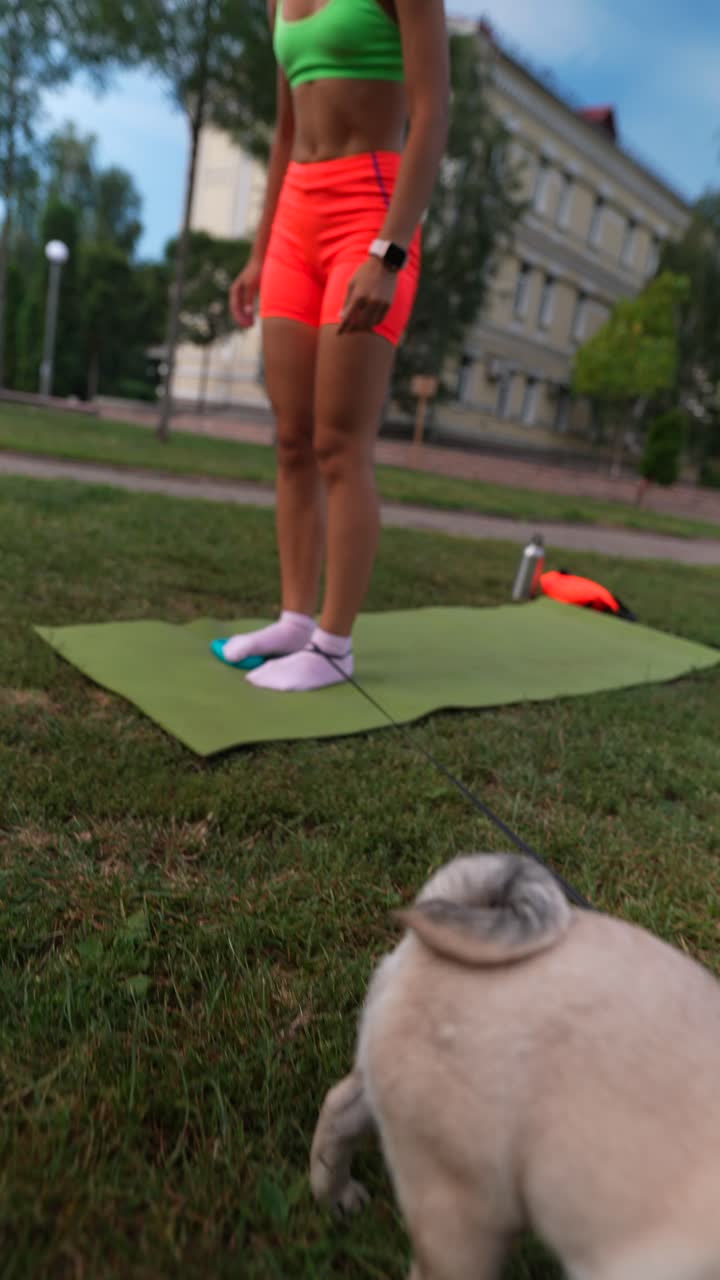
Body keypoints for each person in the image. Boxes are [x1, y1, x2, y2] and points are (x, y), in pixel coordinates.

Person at [216, 0, 449, 692]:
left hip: (368, 212)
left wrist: (390, 251)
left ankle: (334, 645)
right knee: (291, 437)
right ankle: (294, 618)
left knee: (339, 443)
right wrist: (260, 253)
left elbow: (433, 113)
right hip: (296, 216)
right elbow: (286, 132)